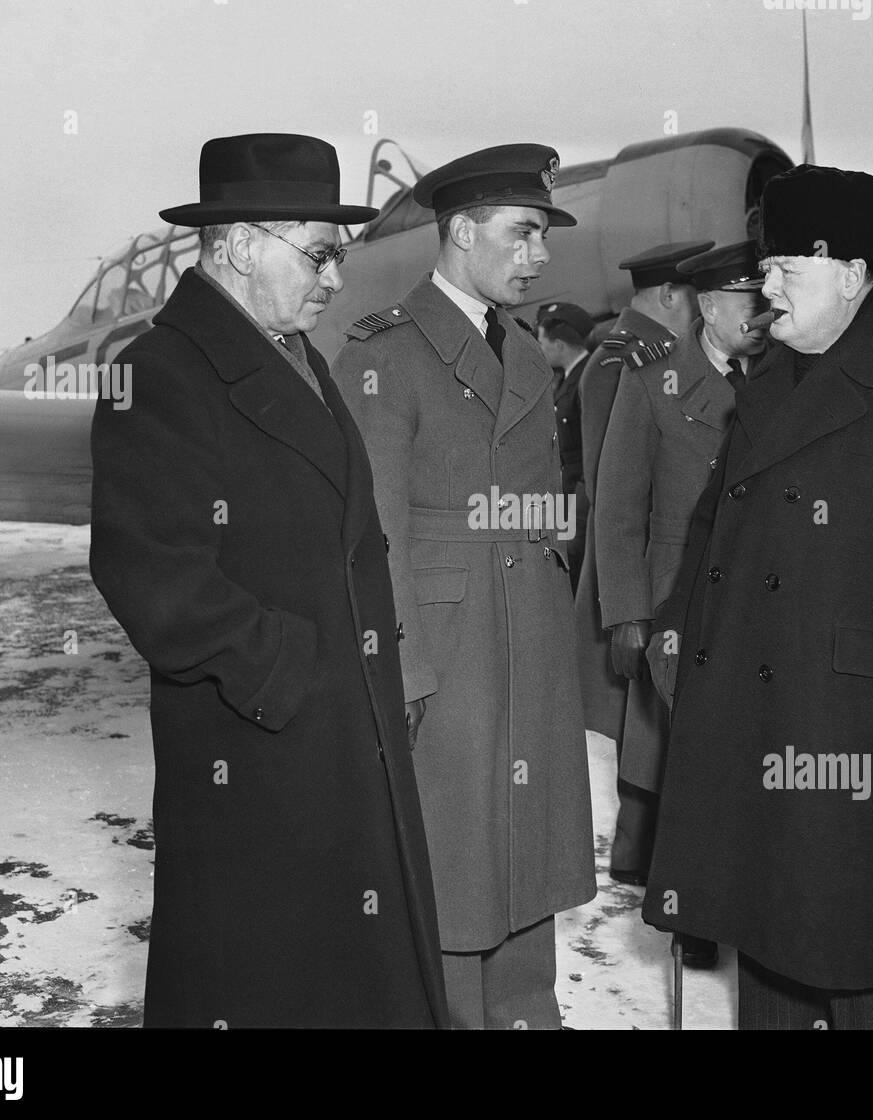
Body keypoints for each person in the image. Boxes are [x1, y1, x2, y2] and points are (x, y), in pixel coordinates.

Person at [642, 165, 873, 1029]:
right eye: (764, 270)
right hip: (757, 706)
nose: (764, 289)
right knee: (766, 931)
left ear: (852, 274)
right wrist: (676, 629)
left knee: (860, 952)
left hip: (865, 726)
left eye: (784, 271)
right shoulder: (773, 376)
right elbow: (712, 526)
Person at [89, 133, 448, 1028]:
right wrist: (290, 671)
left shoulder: (296, 355)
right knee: (263, 981)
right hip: (257, 752)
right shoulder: (159, 372)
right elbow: (150, 573)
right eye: (320, 254)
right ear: (240, 245)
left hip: (337, 740)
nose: (335, 280)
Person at [332, 144, 596, 1030]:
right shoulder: (386, 352)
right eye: (524, 233)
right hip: (447, 660)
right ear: (461, 231)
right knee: (453, 878)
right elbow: (373, 537)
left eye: (543, 235)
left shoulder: (522, 348)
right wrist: (399, 670)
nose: (540, 256)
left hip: (526, 646)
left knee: (524, 873)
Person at [595, 241, 769, 968]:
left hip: (763, 604)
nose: (762, 314)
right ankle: (693, 912)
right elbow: (617, 510)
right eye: (746, 301)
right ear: (706, 305)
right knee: (687, 762)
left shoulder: (791, 379)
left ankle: (752, 903)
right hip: (679, 599)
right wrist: (629, 614)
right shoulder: (653, 385)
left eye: (767, 298)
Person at [571, 239, 712, 880]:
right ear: (669, 295)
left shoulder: (645, 355)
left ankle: (646, 855)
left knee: (651, 720)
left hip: (643, 559)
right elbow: (613, 485)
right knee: (645, 721)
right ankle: (635, 858)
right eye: (695, 296)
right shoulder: (625, 361)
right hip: (633, 562)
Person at [536, 300, 596, 592]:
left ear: (558, 344)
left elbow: (589, 453)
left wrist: (576, 520)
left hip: (583, 501)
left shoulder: (587, 377)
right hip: (572, 498)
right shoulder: (569, 379)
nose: (540, 347)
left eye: (541, 340)